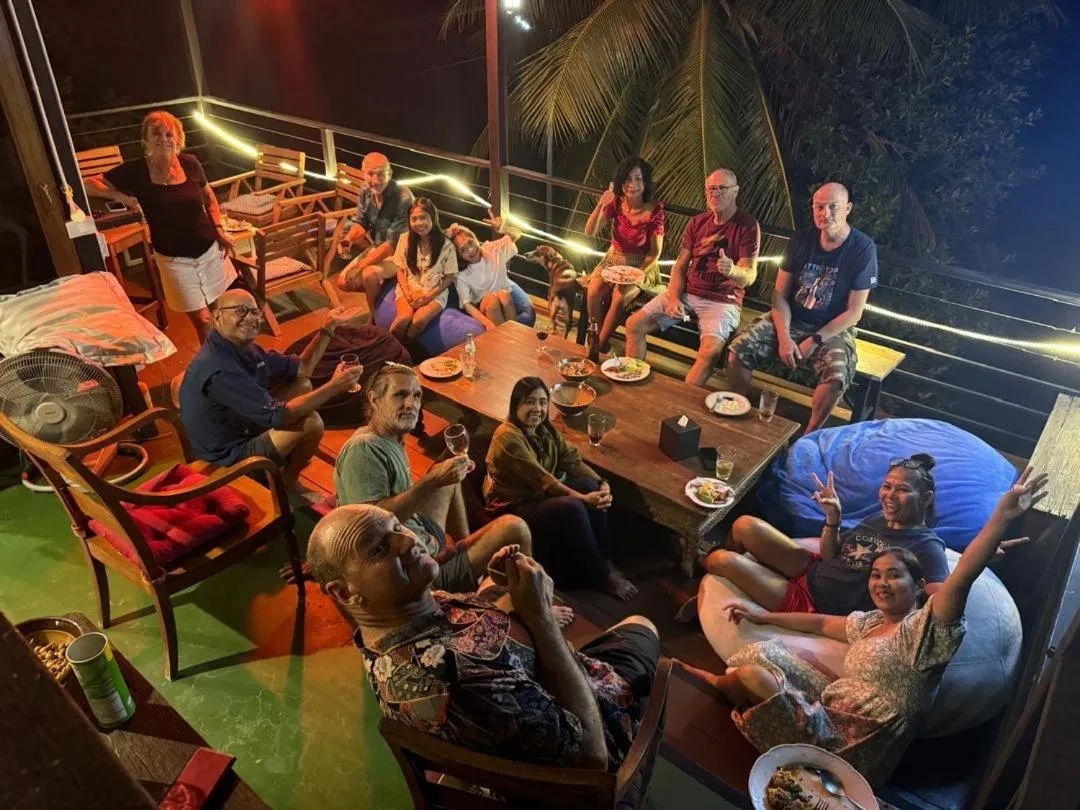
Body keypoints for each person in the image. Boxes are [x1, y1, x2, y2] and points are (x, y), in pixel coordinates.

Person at [683, 468, 1047, 786]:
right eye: (876, 575)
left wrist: (999, 521)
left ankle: (710, 684)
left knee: (751, 675)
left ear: (919, 588)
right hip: (831, 691)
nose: (881, 583)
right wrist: (761, 616)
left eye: (894, 577)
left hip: (848, 742)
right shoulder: (873, 621)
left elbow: (959, 582)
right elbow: (822, 622)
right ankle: (722, 681)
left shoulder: (923, 635)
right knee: (763, 651)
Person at [306, 502, 662, 772]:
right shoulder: (453, 682)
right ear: (344, 592)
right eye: (378, 549)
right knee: (642, 624)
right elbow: (593, 757)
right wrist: (541, 617)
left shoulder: (404, 611)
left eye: (397, 526)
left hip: (558, 679)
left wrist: (501, 594)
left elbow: (476, 638)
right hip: (602, 733)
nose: (407, 540)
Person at [334, 363, 531, 593]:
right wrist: (432, 481)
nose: (411, 404)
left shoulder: (388, 438)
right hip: (414, 574)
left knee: (447, 473)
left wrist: (440, 478)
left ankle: (468, 565)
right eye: (400, 395)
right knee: (515, 528)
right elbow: (371, 529)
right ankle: (530, 601)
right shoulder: (364, 449)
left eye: (417, 396)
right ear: (375, 399)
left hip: (419, 535)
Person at [703, 454, 968, 615]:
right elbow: (831, 554)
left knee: (720, 560)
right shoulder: (880, 518)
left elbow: (941, 605)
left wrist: (973, 563)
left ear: (926, 499)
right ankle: (722, 586)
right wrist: (834, 518)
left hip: (815, 604)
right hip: (814, 569)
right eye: (887, 486)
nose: (889, 496)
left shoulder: (926, 546)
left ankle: (713, 580)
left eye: (902, 490)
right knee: (744, 525)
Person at [726, 182, 878, 434]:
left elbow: (854, 312)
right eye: (819, 207)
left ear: (848, 208)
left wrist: (815, 340)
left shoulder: (862, 248)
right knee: (738, 349)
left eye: (833, 207)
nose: (825, 213)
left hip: (832, 329)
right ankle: (737, 409)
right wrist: (784, 336)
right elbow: (779, 294)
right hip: (792, 318)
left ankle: (808, 436)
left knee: (836, 377)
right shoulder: (800, 240)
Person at [179, 289, 363, 494]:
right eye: (240, 311)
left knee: (302, 385)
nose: (249, 317)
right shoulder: (220, 368)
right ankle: (288, 480)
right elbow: (278, 416)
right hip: (226, 460)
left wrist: (328, 327)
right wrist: (334, 387)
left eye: (254, 312)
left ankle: (283, 462)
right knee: (312, 423)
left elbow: (302, 368)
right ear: (217, 317)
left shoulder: (243, 349)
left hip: (243, 426)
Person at [85, 110, 238, 344]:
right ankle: (215, 364)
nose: (164, 139)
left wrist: (220, 232)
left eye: (169, 134)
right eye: (156, 133)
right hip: (175, 261)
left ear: (178, 139)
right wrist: (121, 197)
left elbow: (209, 198)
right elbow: (89, 184)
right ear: (145, 139)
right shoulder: (136, 170)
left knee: (220, 314)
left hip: (209, 251)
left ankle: (230, 358)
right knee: (203, 322)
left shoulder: (190, 163)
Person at [483, 377, 638, 601]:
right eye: (530, 402)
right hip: (515, 505)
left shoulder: (544, 429)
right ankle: (600, 575)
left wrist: (602, 482)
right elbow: (547, 482)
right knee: (573, 505)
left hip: (539, 494)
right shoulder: (508, 437)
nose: (537, 409)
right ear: (515, 405)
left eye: (542, 402)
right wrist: (585, 500)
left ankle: (603, 558)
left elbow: (572, 461)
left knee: (589, 485)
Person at [625, 169, 760, 387]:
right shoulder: (697, 222)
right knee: (634, 325)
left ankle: (681, 399)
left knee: (710, 352)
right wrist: (673, 297)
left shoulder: (747, 225)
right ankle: (632, 381)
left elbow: (749, 275)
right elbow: (680, 265)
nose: (715, 193)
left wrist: (731, 270)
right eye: (711, 189)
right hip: (688, 293)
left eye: (722, 188)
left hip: (722, 300)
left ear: (735, 191)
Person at [583, 157, 665, 355]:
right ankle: (596, 337)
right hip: (613, 258)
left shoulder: (654, 211)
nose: (632, 184)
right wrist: (601, 204)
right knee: (593, 291)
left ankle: (597, 347)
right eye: (628, 179)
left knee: (619, 296)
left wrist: (637, 272)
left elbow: (655, 252)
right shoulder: (616, 204)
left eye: (638, 179)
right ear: (621, 181)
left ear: (645, 182)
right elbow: (590, 232)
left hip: (641, 263)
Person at [334, 152, 415, 316]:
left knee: (368, 274)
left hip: (402, 254)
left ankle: (374, 317)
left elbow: (391, 245)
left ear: (390, 174)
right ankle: (383, 295)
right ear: (363, 173)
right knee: (343, 282)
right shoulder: (365, 190)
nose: (376, 180)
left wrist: (361, 266)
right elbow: (361, 222)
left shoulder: (404, 197)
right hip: (378, 246)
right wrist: (348, 239)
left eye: (381, 174)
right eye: (371, 174)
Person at [388, 198, 458, 342]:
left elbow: (450, 277)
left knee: (419, 320)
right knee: (403, 318)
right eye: (414, 219)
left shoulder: (446, 245)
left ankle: (404, 348)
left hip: (434, 291)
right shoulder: (405, 239)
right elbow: (400, 269)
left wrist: (429, 296)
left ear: (433, 217)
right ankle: (386, 347)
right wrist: (407, 293)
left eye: (423, 218)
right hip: (409, 287)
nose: (419, 223)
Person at [449, 212, 523, 330]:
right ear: (459, 255)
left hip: (503, 297)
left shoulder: (492, 249)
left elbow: (517, 234)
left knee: (504, 295)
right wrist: (487, 323)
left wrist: (501, 228)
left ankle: (515, 334)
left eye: (470, 242)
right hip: (484, 305)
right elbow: (466, 304)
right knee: (492, 301)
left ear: (475, 238)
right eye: (463, 250)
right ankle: (503, 337)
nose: (470, 250)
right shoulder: (461, 274)